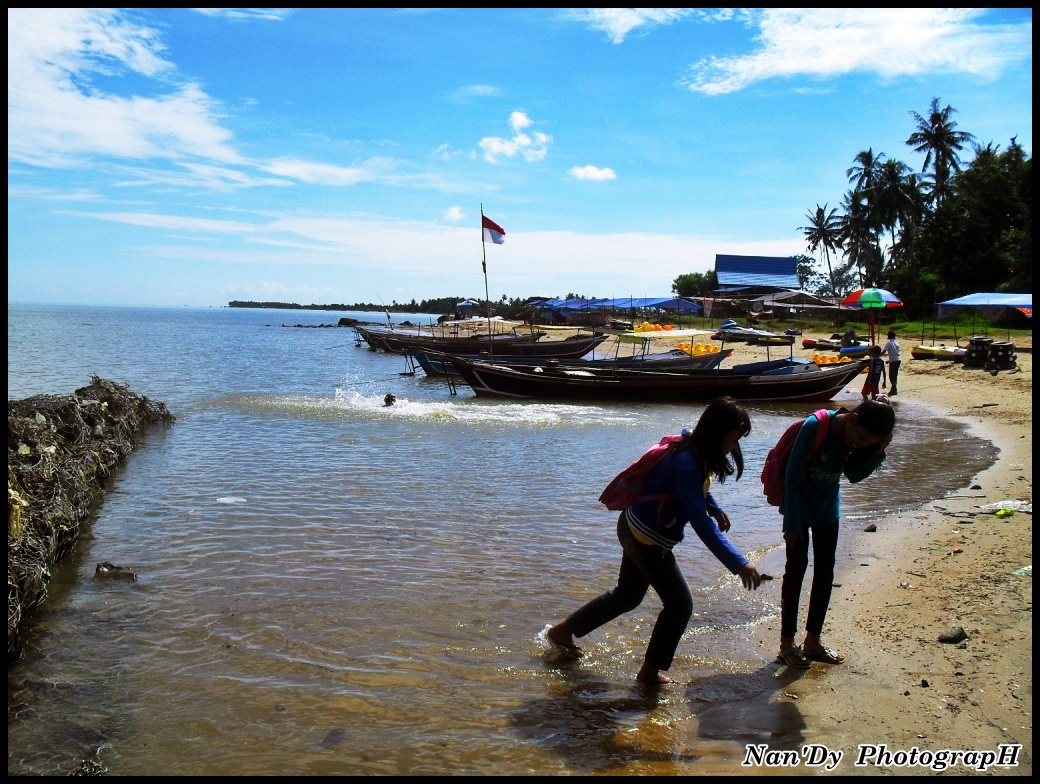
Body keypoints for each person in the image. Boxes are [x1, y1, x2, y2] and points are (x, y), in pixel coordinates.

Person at [546, 397, 763, 685]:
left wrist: (714, 506)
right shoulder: (687, 462)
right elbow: (700, 524)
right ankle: (649, 674)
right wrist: (739, 564)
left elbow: (698, 490)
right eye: (734, 438)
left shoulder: (695, 451)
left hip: (637, 528)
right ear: (717, 431)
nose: (734, 446)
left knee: (628, 595)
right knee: (680, 605)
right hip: (644, 538)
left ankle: (563, 631)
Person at [778, 400, 895, 668]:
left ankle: (813, 641)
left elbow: (853, 474)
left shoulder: (859, 441)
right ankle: (787, 644)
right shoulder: (815, 426)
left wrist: (876, 452)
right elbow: (793, 476)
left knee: (825, 572)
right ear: (852, 418)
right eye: (862, 437)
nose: (860, 444)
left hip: (828, 510)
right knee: (795, 571)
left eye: (867, 441)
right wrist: (792, 523)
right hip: (798, 510)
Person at [882, 330, 901, 395]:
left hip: (894, 361)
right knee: (894, 376)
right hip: (897, 360)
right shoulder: (896, 343)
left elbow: (884, 351)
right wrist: (889, 361)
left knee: (891, 376)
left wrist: (876, 356)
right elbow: (895, 353)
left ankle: (894, 390)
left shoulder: (889, 343)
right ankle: (893, 389)